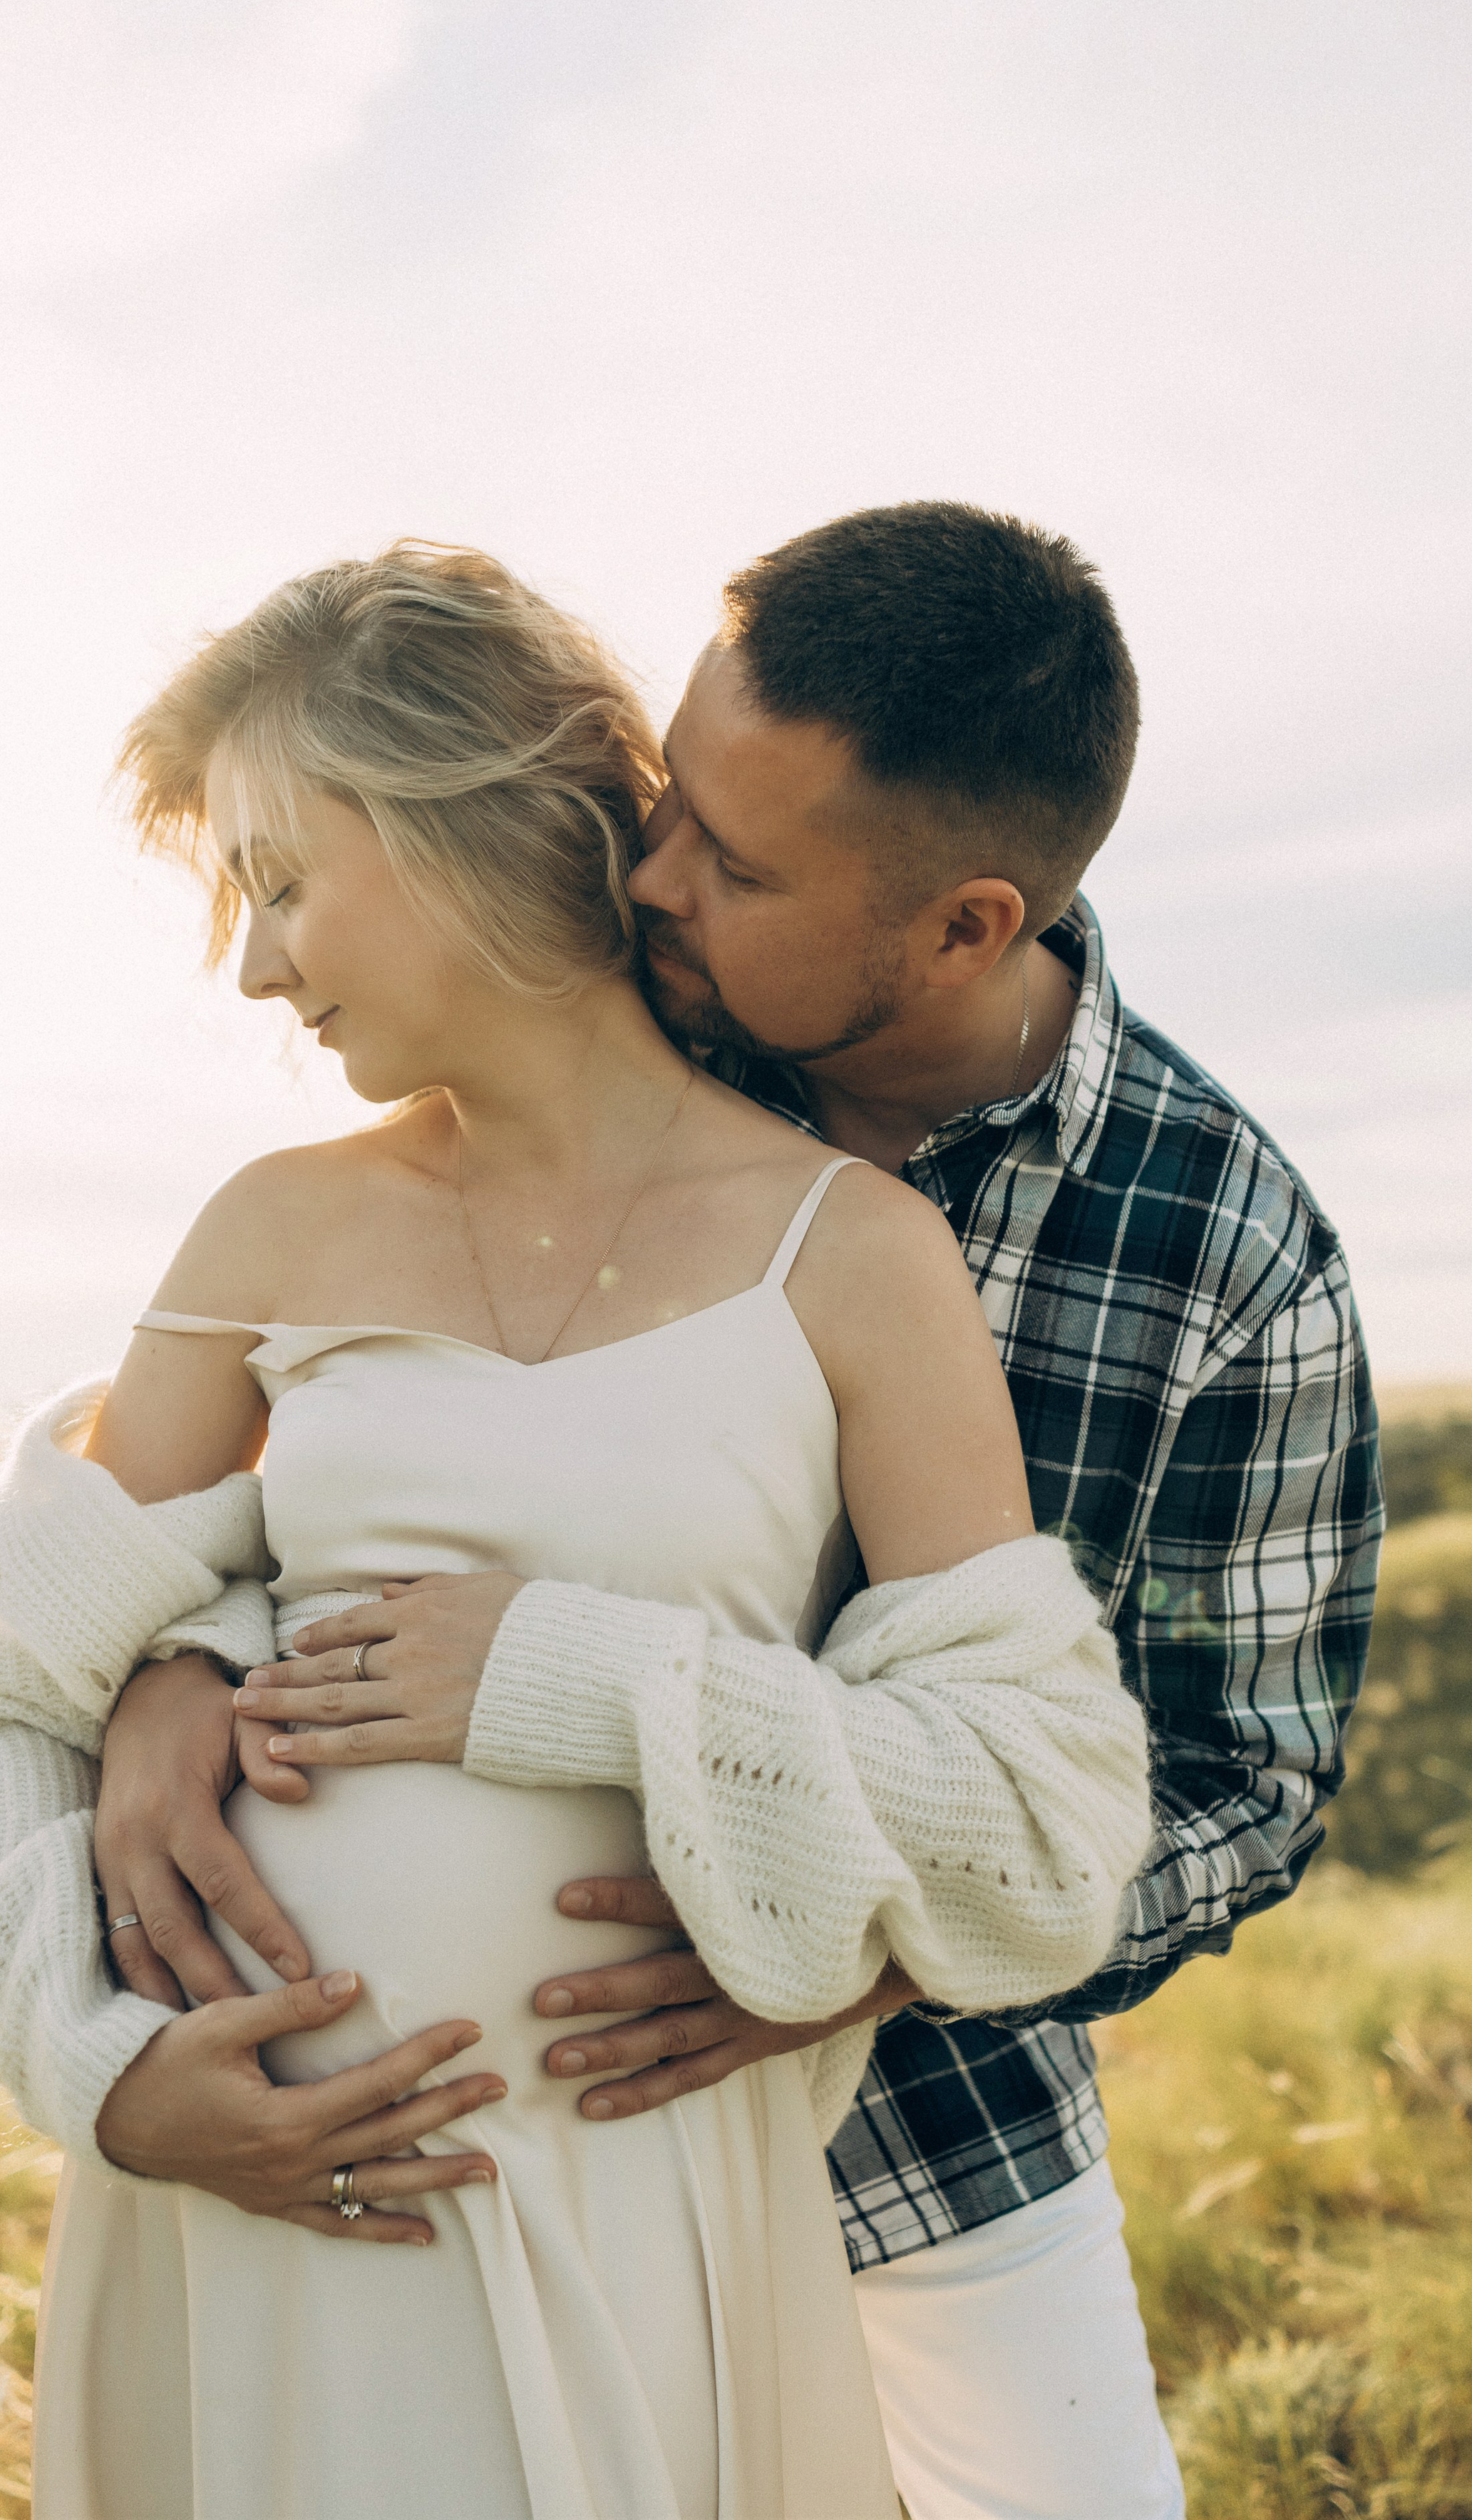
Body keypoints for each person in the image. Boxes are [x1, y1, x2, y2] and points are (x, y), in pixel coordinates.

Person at [97, 505, 1381, 2520]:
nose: (650, 870)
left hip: (941, 2102)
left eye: (739, 861)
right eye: (672, 799)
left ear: (960, 926)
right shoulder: (606, 1010)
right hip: (446, 2138)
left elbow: (1244, 1778)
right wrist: (171, 1658)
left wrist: (866, 1938)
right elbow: (345, 1454)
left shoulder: (1225, 1245)